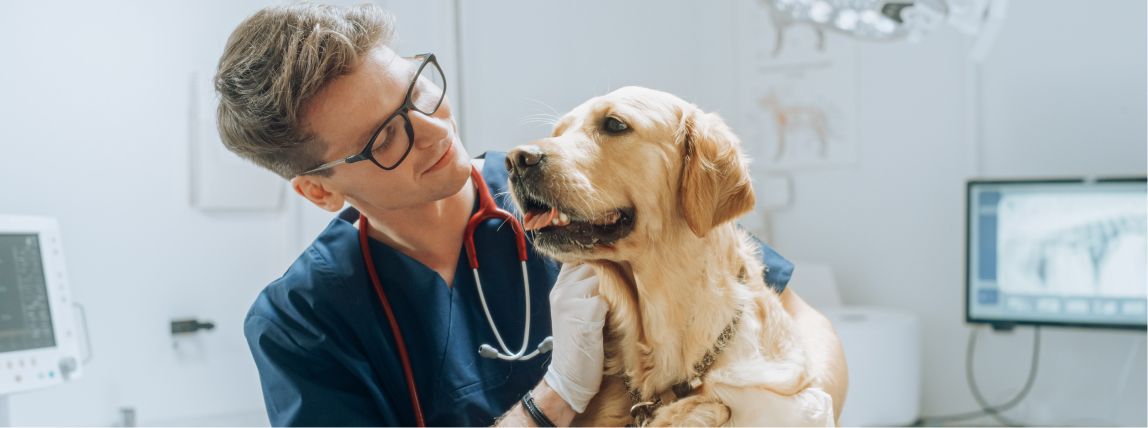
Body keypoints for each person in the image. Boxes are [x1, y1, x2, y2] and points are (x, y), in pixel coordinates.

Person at [215, 3, 847, 427]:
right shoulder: (301, 321)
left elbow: (792, 312)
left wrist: (805, 405)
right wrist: (555, 399)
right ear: (319, 192)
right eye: (386, 139)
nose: (435, 132)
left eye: (420, 90)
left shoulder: (580, 201)